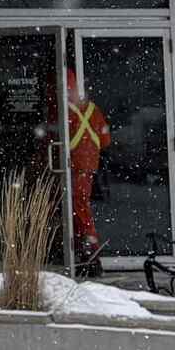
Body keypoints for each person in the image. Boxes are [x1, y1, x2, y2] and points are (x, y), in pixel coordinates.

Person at [65, 65, 110, 274]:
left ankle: (89, 253)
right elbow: (105, 139)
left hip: (71, 168)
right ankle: (87, 252)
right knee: (79, 208)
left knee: (78, 209)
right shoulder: (92, 109)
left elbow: (51, 139)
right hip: (87, 166)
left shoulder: (63, 110)